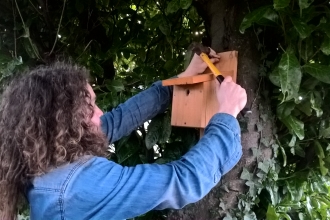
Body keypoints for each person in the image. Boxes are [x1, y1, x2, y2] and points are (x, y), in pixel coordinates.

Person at [0, 49, 247, 220]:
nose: (100, 113)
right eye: (89, 109)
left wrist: (180, 80)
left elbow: (117, 119)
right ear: (63, 122)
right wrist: (226, 114)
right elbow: (182, 181)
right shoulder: (80, 186)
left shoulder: (49, 158)